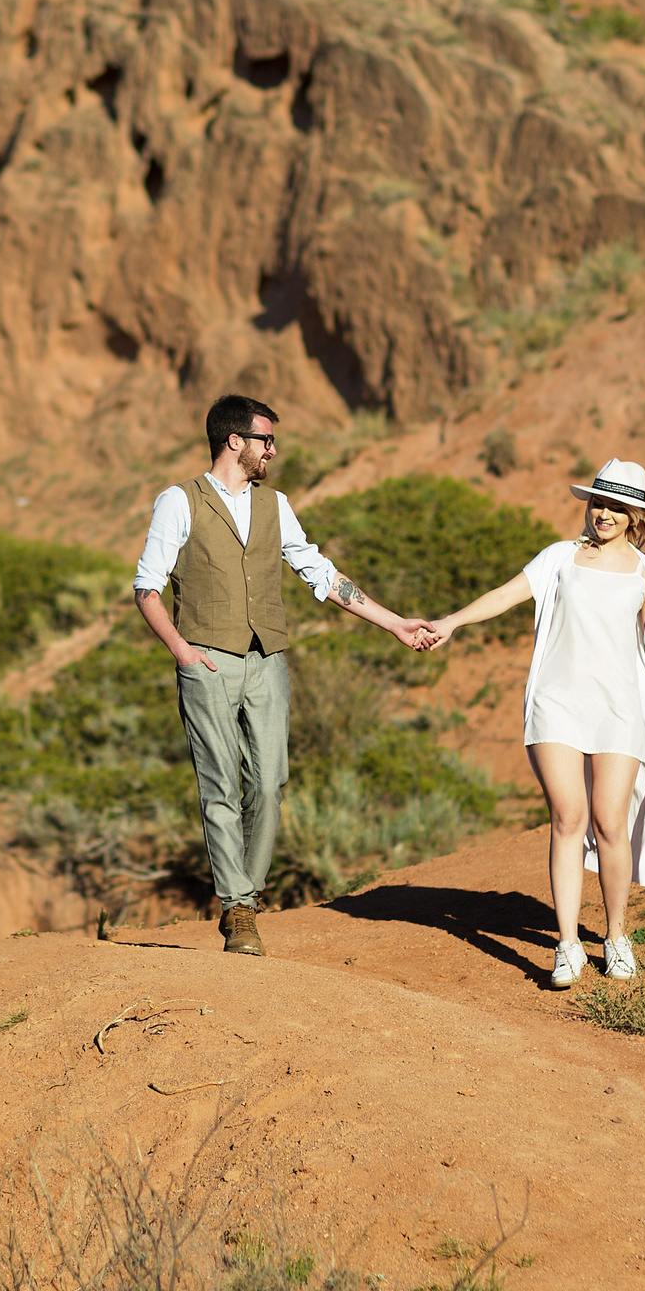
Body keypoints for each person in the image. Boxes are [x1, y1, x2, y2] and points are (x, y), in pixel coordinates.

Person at [134, 395, 433, 956]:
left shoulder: (276, 505)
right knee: (219, 785)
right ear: (234, 442)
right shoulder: (179, 501)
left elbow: (320, 573)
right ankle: (240, 909)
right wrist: (181, 651)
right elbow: (146, 586)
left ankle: (245, 896)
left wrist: (393, 624)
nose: (272, 449)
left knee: (268, 784)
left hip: (267, 658)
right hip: (206, 659)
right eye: (265, 439)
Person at [419, 459, 645, 985]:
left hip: (620, 706)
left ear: (633, 514)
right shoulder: (559, 558)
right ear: (588, 504)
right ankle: (567, 945)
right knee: (568, 818)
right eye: (599, 503)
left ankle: (616, 936)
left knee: (610, 822)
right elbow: (506, 595)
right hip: (558, 703)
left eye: (617, 507)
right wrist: (452, 621)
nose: (605, 514)